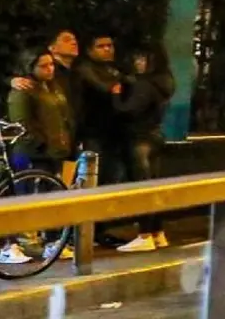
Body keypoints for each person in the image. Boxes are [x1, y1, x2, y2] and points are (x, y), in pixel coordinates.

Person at [0, 49, 75, 263]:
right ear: (30, 67)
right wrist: (40, 145)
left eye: (51, 64)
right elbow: (22, 124)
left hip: (54, 150)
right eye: (43, 66)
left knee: (52, 196)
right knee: (21, 196)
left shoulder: (52, 86)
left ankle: (51, 242)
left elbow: (64, 115)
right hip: (31, 153)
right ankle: (11, 244)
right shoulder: (23, 90)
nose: (49, 69)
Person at [113, 45, 175, 253]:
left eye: (142, 59)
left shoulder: (144, 84)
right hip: (156, 136)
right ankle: (158, 233)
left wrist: (116, 95)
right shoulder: (164, 82)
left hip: (139, 139)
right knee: (154, 186)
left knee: (142, 187)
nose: (138, 63)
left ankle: (144, 234)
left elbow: (127, 110)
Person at [75, 34, 128, 248]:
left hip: (112, 135)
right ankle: (86, 233)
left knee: (108, 182)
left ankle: (100, 231)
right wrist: (114, 88)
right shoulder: (85, 69)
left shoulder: (114, 71)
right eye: (101, 46)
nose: (107, 49)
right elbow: (103, 88)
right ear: (90, 50)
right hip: (91, 134)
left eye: (110, 45)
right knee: (91, 182)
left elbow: (126, 87)